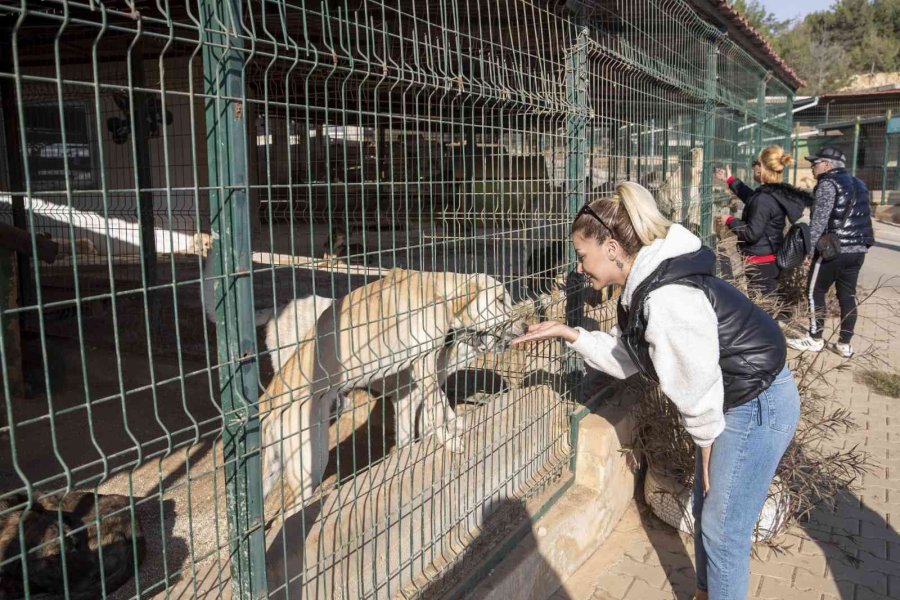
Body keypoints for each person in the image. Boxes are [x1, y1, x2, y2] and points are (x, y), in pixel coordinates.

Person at [512, 182, 800, 600]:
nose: (579, 268)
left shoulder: (665, 297)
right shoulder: (645, 284)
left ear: (612, 248)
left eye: (582, 255)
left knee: (723, 529)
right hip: (735, 398)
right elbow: (627, 357)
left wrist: (706, 449)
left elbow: (696, 383)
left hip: (757, 402)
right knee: (709, 512)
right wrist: (568, 333)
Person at [786, 146, 874, 358]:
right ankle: (844, 344)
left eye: (815, 163)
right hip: (858, 250)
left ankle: (814, 338)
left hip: (833, 249)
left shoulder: (828, 183)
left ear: (826, 165)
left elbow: (819, 221)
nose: (812, 167)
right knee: (847, 295)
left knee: (814, 291)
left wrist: (809, 252)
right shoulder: (860, 184)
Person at [713, 145, 811, 298]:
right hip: (769, 258)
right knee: (767, 301)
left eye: (755, 163)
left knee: (764, 306)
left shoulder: (764, 199)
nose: (753, 167)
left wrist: (730, 220)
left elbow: (751, 233)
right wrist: (731, 180)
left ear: (761, 168)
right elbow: (752, 199)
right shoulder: (774, 193)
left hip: (760, 262)